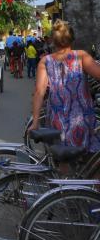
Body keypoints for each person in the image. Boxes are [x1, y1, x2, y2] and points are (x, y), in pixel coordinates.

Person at [30, 20, 100, 152]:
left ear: (53, 41)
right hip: (82, 118)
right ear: (71, 38)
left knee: (63, 160)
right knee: (89, 159)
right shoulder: (81, 56)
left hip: (57, 119)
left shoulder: (46, 61)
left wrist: (35, 122)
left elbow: (39, 92)